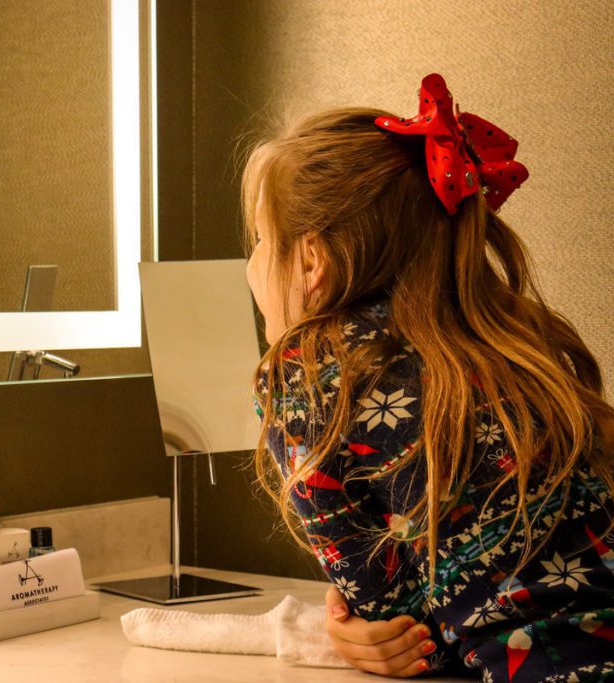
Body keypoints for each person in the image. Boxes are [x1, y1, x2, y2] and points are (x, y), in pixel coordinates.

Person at [246, 74, 614, 681]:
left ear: (310, 260)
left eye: (261, 241)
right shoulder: (518, 340)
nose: (254, 262)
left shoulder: (304, 370)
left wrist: (353, 623)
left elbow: (396, 617)